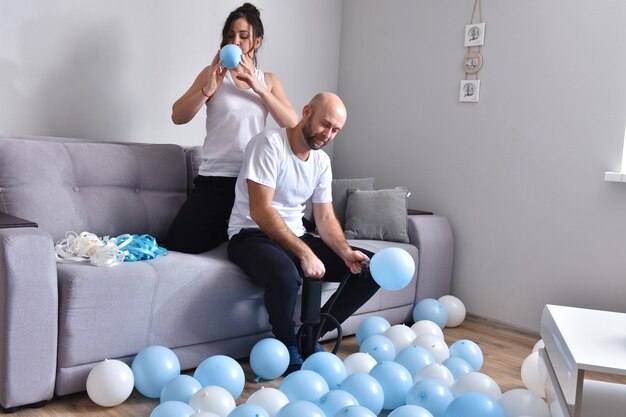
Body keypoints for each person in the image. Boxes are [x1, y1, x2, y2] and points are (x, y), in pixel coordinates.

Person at [227, 92, 380, 374]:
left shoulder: (321, 162)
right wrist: (304, 253)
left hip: (295, 234)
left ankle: (308, 339)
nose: (328, 134)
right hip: (251, 234)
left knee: (370, 270)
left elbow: (324, 217)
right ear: (306, 111)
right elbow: (261, 211)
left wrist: (345, 252)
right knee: (287, 275)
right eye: (325, 124)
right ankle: (287, 346)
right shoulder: (269, 144)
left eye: (336, 130)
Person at [166, 3, 298, 253]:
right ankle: (225, 232)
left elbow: (292, 124)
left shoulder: (268, 80)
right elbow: (177, 116)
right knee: (179, 243)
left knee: (274, 242)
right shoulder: (211, 74)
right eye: (230, 35)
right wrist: (207, 90)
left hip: (254, 181)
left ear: (256, 42)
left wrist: (259, 89)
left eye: (243, 36)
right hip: (216, 178)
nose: (235, 41)